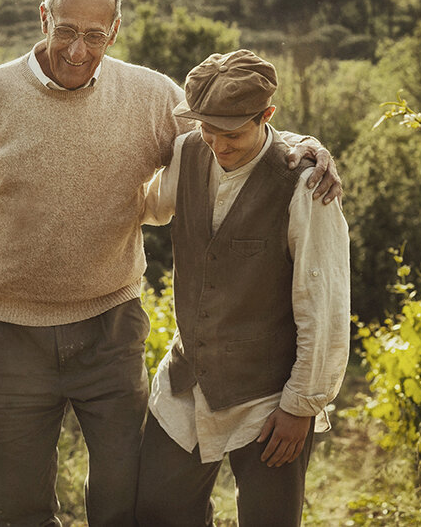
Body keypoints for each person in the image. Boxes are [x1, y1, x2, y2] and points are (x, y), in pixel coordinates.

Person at [0, 0, 342, 527]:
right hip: (7, 335)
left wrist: (304, 147)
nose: (77, 47)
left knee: (121, 505)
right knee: (17, 508)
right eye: (65, 28)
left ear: (114, 30)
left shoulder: (150, 95)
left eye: (94, 33)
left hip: (110, 333)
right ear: (44, 18)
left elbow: (233, 135)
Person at [135, 50, 351, 527]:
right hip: (188, 382)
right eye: (208, 130)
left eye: (232, 134)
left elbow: (326, 304)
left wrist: (301, 406)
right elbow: (148, 205)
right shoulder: (191, 150)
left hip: (270, 398)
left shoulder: (306, 185)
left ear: (266, 116)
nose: (219, 145)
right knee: (155, 511)